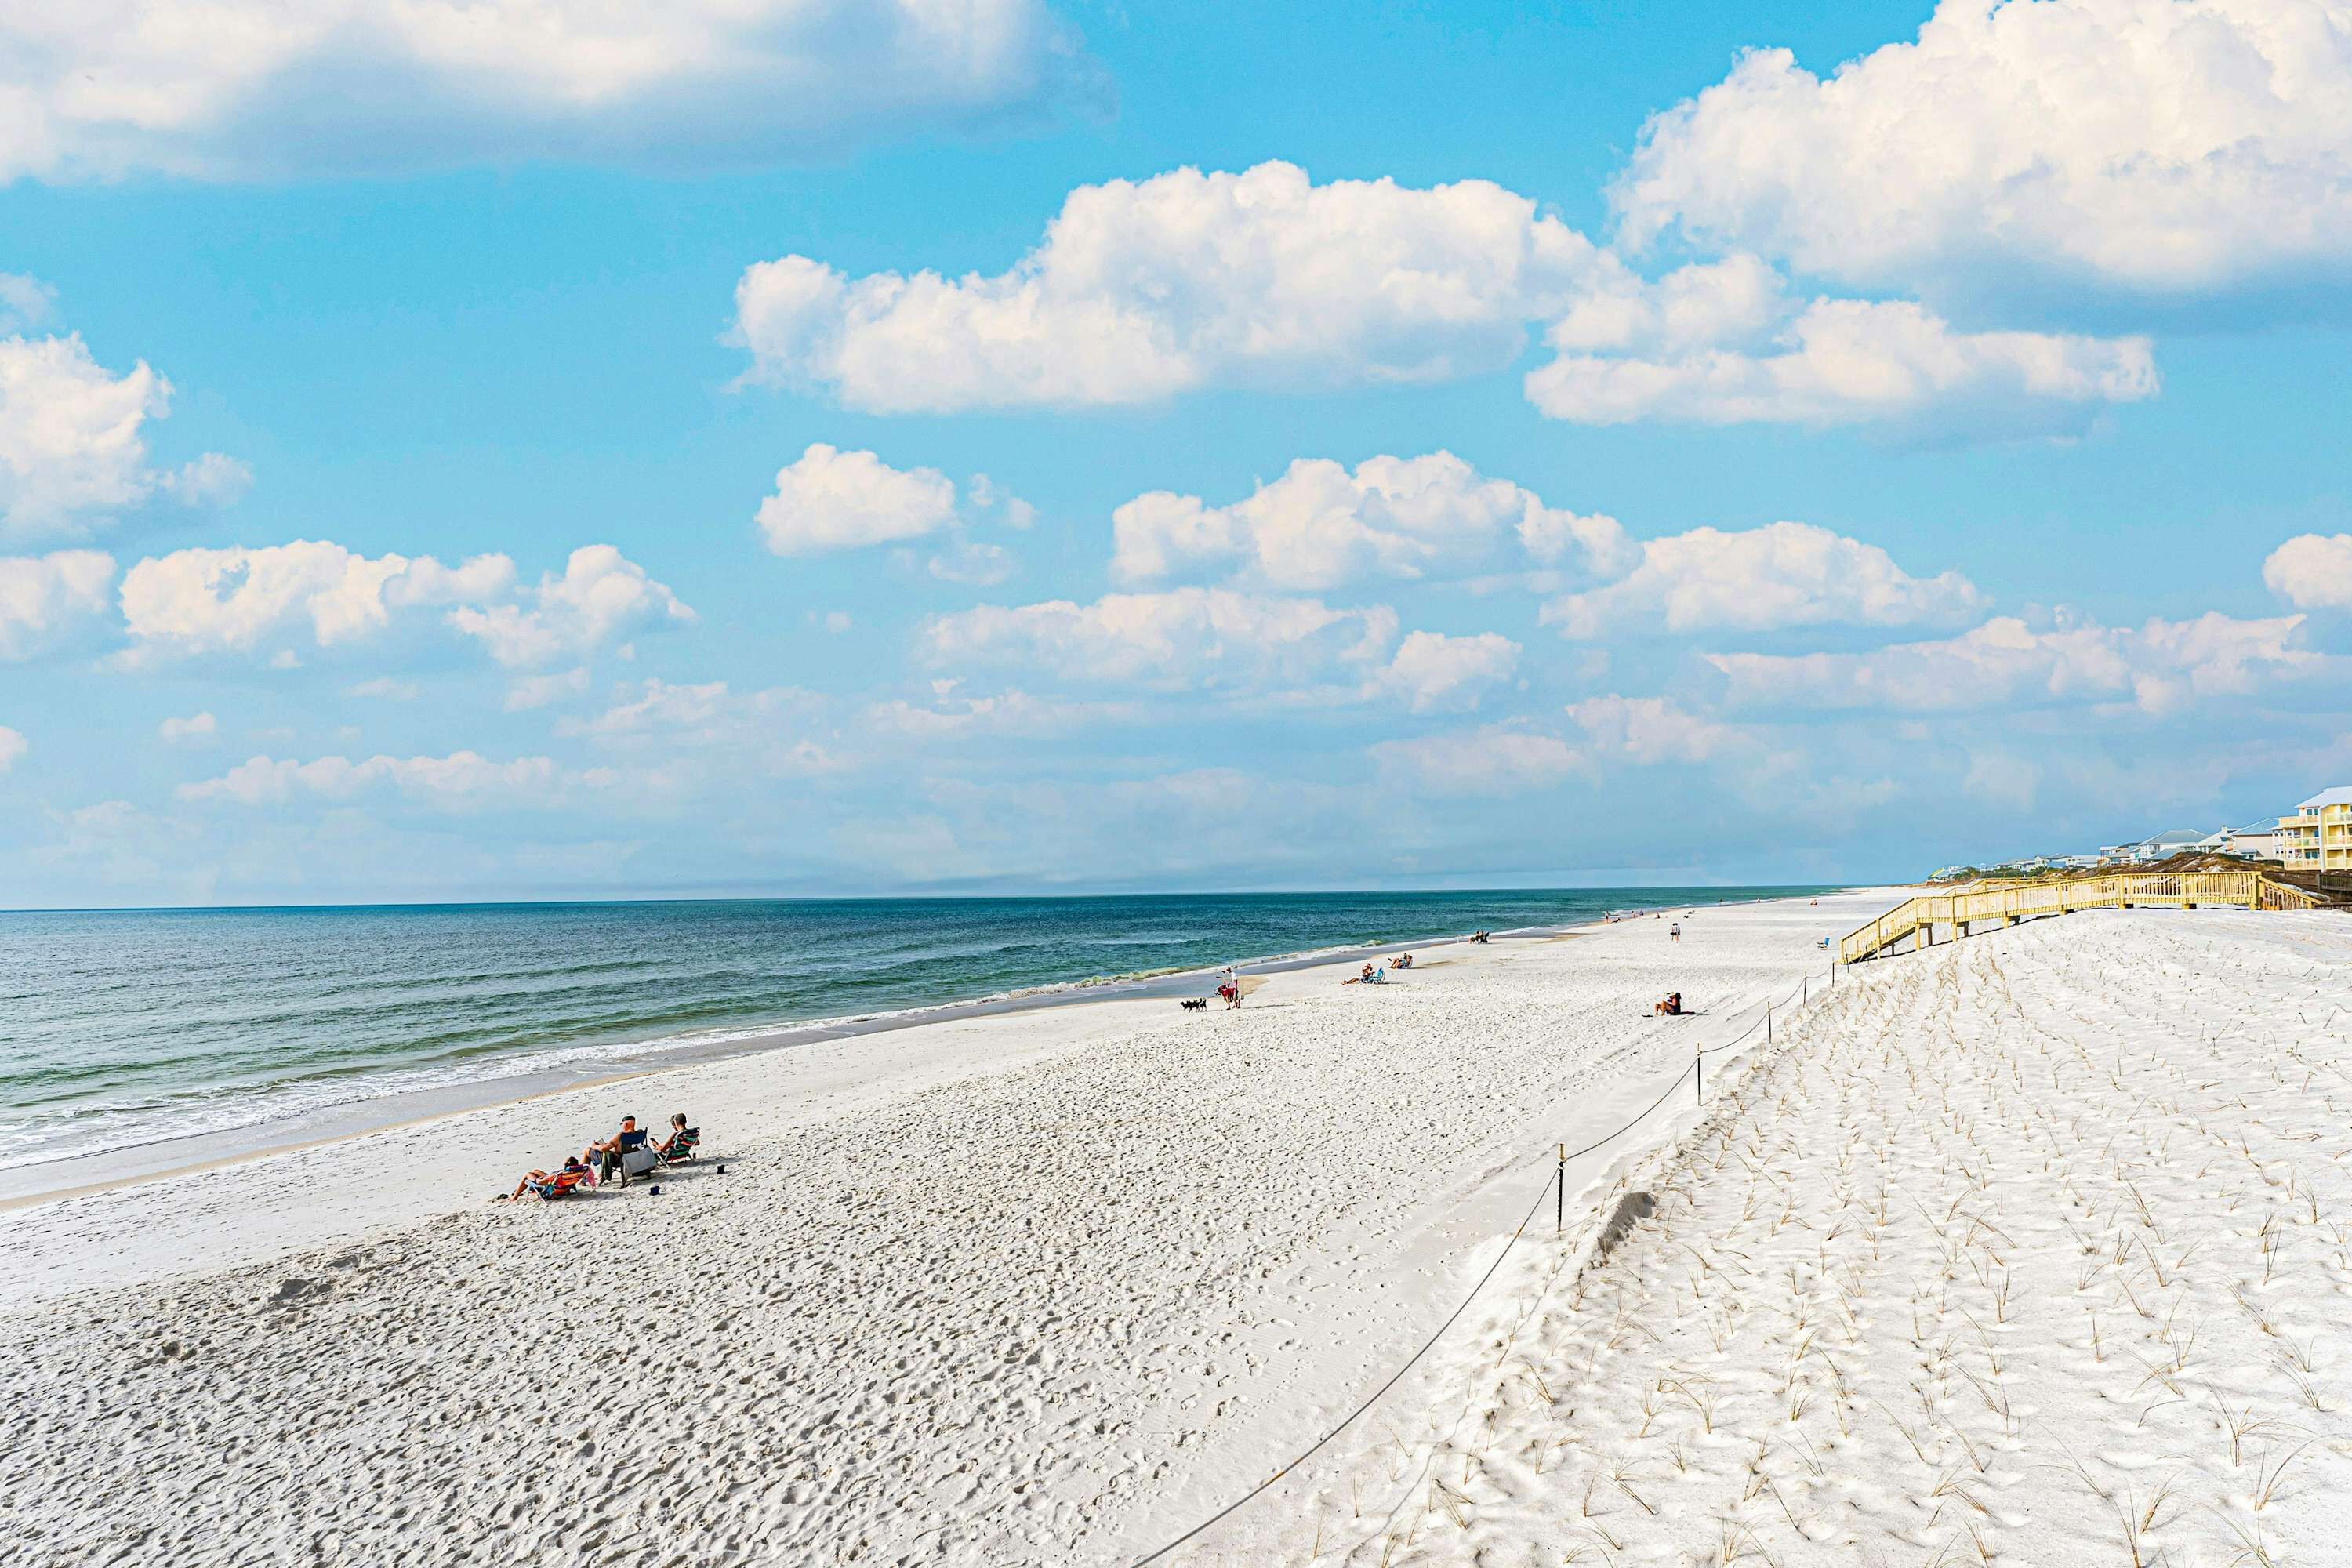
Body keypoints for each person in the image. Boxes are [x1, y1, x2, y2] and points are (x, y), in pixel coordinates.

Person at [585, 1115, 650, 1184]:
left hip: (619, 1160)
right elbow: (629, 1146)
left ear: (625, 1124)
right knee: (610, 1150)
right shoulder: (640, 1133)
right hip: (633, 1158)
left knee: (587, 1150)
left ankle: (582, 1180)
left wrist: (595, 1146)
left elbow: (603, 1149)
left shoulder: (621, 1135)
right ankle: (600, 1175)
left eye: (622, 1124)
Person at [503, 1155, 589, 1202]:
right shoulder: (578, 1172)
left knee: (528, 1174)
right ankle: (517, 1192)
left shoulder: (560, 1175)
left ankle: (515, 1197)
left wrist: (541, 1178)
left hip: (554, 1190)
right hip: (564, 1187)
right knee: (536, 1171)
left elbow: (539, 1182)